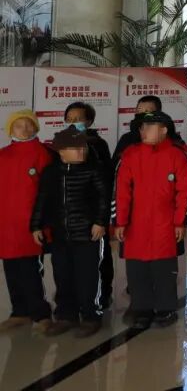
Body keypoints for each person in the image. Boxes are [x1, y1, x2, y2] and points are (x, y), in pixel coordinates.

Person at [113, 111, 187, 330]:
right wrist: (120, 221)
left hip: (165, 223)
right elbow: (120, 190)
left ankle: (166, 309)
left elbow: (186, 191)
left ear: (164, 129)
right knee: (137, 270)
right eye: (141, 127)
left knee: (164, 269)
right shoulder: (130, 154)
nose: (143, 131)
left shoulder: (177, 155)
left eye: (148, 126)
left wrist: (180, 222)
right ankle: (142, 309)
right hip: (135, 224)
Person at [30, 126, 108, 337]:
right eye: (76, 148)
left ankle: (91, 315)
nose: (82, 151)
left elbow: (103, 198)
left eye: (83, 147)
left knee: (88, 276)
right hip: (60, 235)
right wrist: (36, 225)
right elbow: (42, 200)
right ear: (61, 151)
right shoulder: (51, 172)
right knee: (62, 275)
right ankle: (66, 315)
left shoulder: (94, 169)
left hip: (88, 234)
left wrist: (100, 222)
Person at [0, 110, 54, 333]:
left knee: (31, 269)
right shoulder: (3, 154)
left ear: (36, 127)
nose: (24, 129)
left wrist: (42, 222)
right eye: (19, 125)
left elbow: (48, 192)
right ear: (10, 130)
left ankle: (40, 313)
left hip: (32, 223)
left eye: (28, 124)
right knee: (10, 267)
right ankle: (19, 312)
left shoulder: (43, 153)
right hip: (6, 223)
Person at [62, 101, 114, 309]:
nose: (73, 123)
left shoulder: (97, 145)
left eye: (78, 119)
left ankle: (102, 295)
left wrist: (101, 217)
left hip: (93, 214)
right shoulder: (60, 143)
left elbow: (106, 181)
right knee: (70, 260)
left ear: (89, 121)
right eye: (69, 119)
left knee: (99, 258)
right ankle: (75, 297)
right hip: (70, 215)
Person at [114, 96, 186, 161]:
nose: (141, 115)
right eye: (139, 111)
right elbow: (116, 166)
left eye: (147, 112)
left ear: (158, 113)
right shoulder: (126, 139)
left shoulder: (171, 138)